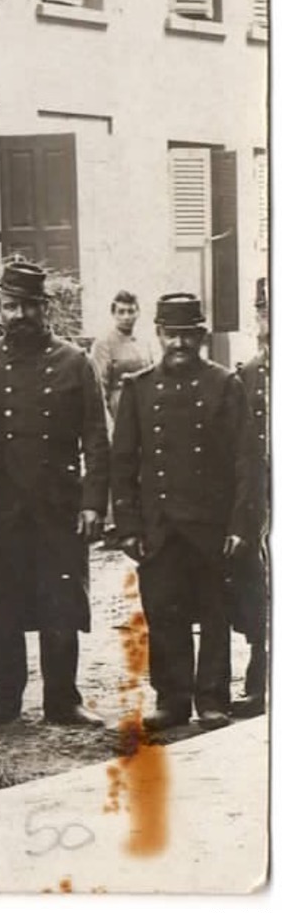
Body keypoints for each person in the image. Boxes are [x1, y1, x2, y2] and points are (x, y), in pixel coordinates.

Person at [0, 262, 109, 729]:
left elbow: (96, 440)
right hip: (0, 513)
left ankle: (63, 701)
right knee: (1, 607)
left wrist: (91, 503)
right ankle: (3, 700)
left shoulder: (74, 363)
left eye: (28, 306)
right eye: (10, 306)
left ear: (45, 309)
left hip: (58, 509)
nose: (19, 314)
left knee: (60, 607)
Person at [112, 293, 258, 732]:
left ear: (201, 336)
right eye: (171, 334)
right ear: (158, 334)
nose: (179, 344)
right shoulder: (138, 389)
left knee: (214, 612)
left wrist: (240, 524)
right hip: (159, 528)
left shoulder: (225, 385)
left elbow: (245, 462)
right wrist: (128, 527)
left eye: (188, 335)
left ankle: (212, 698)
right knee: (163, 612)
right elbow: (123, 464)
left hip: (210, 526)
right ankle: (172, 700)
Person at [231, 278, 268, 718]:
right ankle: (259, 682)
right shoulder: (247, 376)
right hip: (262, 501)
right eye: (263, 313)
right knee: (261, 590)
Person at [90, 290, 160, 420]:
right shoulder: (104, 342)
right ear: (113, 314)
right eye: (121, 312)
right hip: (119, 408)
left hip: (144, 405)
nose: (126, 317)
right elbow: (99, 386)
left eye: (131, 311)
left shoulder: (144, 341)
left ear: (138, 313)